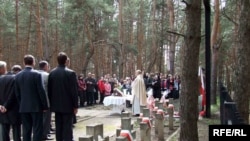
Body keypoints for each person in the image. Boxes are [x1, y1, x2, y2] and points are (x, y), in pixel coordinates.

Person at [15, 55, 49, 141]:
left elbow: (17, 93)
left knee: (26, 130)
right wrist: (44, 105)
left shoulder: (18, 75)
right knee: (37, 129)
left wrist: (21, 104)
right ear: (33, 62)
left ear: (24, 62)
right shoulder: (36, 74)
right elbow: (41, 91)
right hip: (36, 106)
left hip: (23, 106)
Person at [48, 52, 78, 141]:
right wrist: (75, 105)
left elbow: (49, 90)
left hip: (56, 104)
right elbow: (74, 91)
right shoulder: (71, 73)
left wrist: (51, 103)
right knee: (67, 126)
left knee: (59, 125)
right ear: (66, 61)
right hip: (68, 104)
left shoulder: (52, 73)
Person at [0, 61, 21, 141]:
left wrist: (1, 106)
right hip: (14, 109)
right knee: (16, 133)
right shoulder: (14, 78)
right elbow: (14, 94)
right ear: (4, 68)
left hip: (2, 110)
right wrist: (6, 105)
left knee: (4, 133)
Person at [38, 60, 54, 140]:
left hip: (36, 102)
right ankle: (44, 134)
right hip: (47, 100)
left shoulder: (35, 74)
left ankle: (40, 134)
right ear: (45, 67)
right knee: (46, 119)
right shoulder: (47, 75)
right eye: (48, 66)